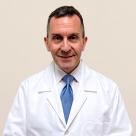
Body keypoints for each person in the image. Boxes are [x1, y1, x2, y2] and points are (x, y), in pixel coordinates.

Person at [3, 5, 132, 136]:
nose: (65, 47)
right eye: (57, 38)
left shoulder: (108, 90)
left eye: (73, 37)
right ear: (47, 43)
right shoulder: (28, 90)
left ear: (84, 42)